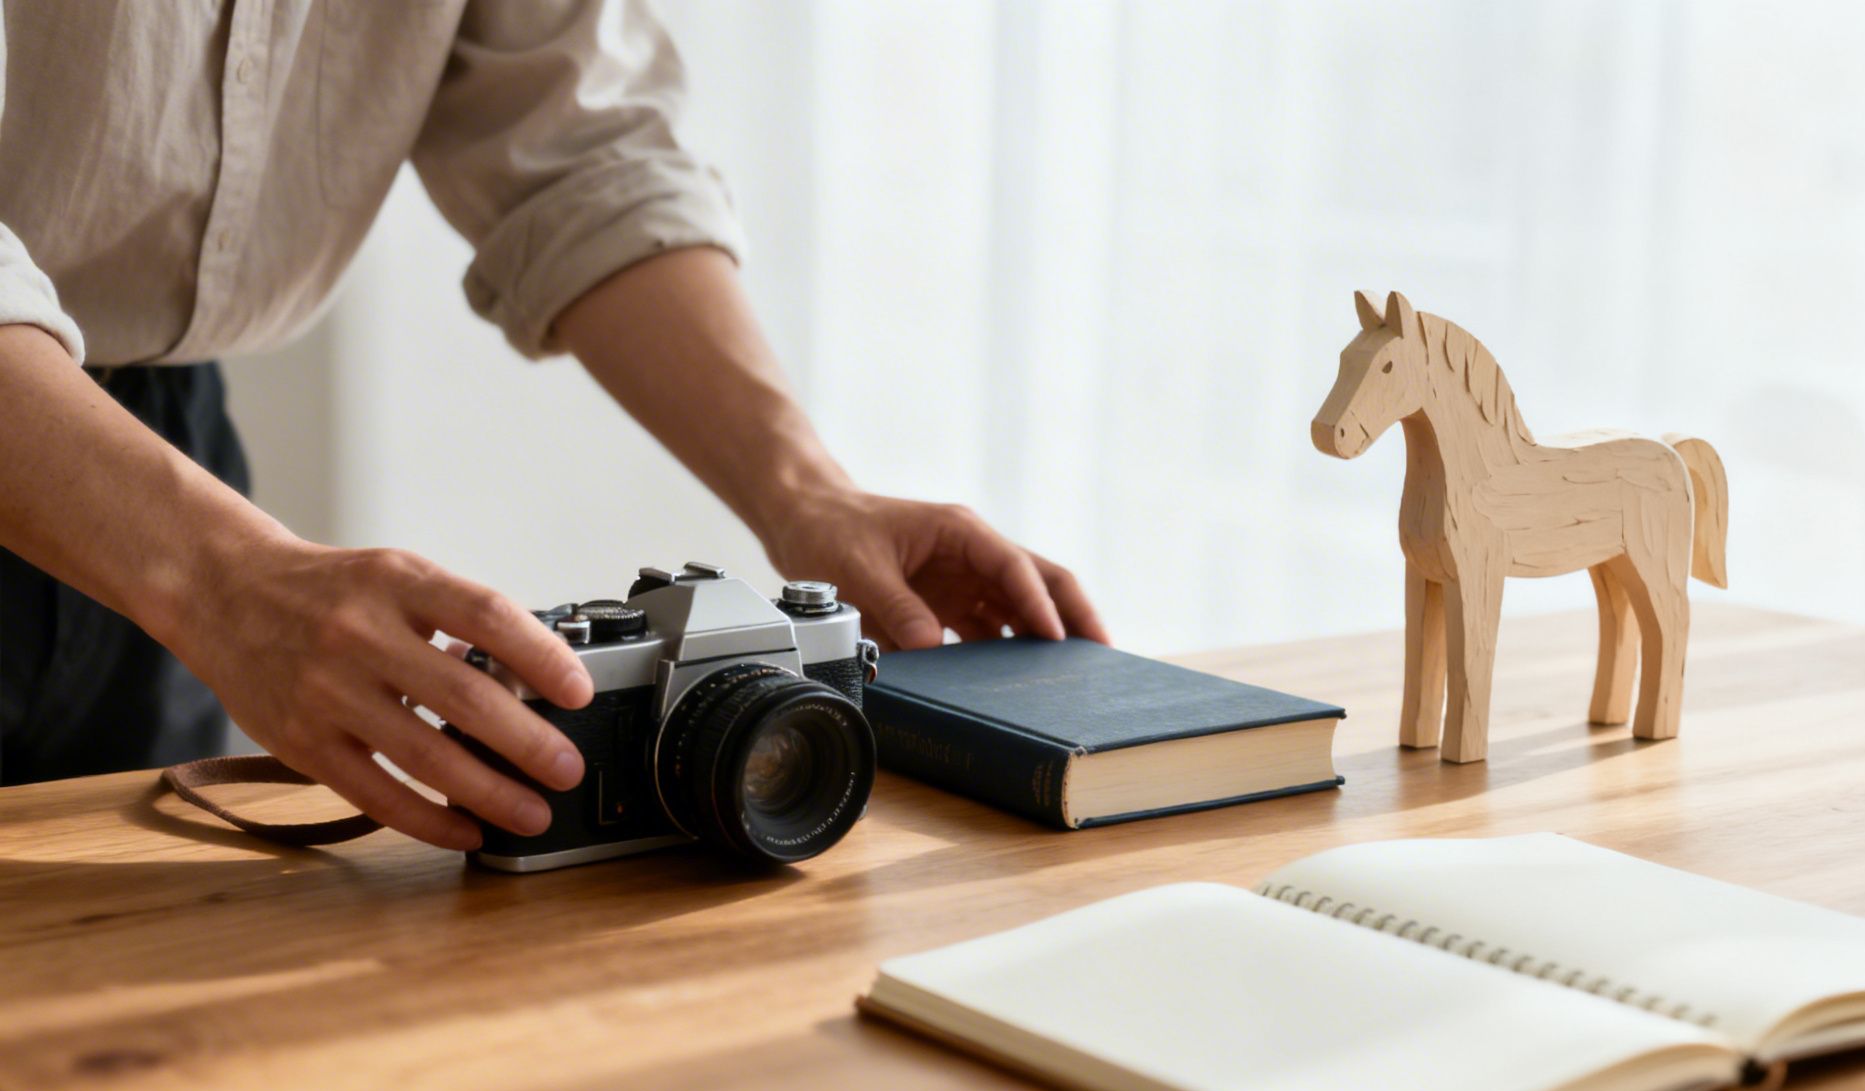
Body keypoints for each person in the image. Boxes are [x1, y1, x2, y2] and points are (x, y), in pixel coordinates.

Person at [0, 3, 1106, 848]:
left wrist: (804, 491)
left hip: (161, 459)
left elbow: (580, 153)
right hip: (143, 513)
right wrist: (219, 576)